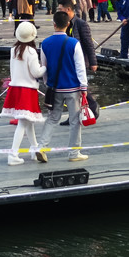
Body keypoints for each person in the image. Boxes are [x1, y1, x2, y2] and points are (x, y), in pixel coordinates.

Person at [35, 10, 89, 163]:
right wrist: (83, 87)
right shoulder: (74, 43)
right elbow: (80, 67)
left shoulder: (45, 43)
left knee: (52, 118)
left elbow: (43, 67)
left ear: (53, 24)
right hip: (72, 88)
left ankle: (41, 147)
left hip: (54, 87)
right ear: (68, 24)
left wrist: (47, 84)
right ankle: (74, 153)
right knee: (75, 120)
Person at [0, 21, 46, 165]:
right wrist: (46, 67)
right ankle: (13, 154)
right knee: (23, 123)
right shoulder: (31, 52)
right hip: (27, 90)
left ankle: (34, 149)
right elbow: (36, 72)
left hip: (16, 88)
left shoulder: (13, 49)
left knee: (28, 122)